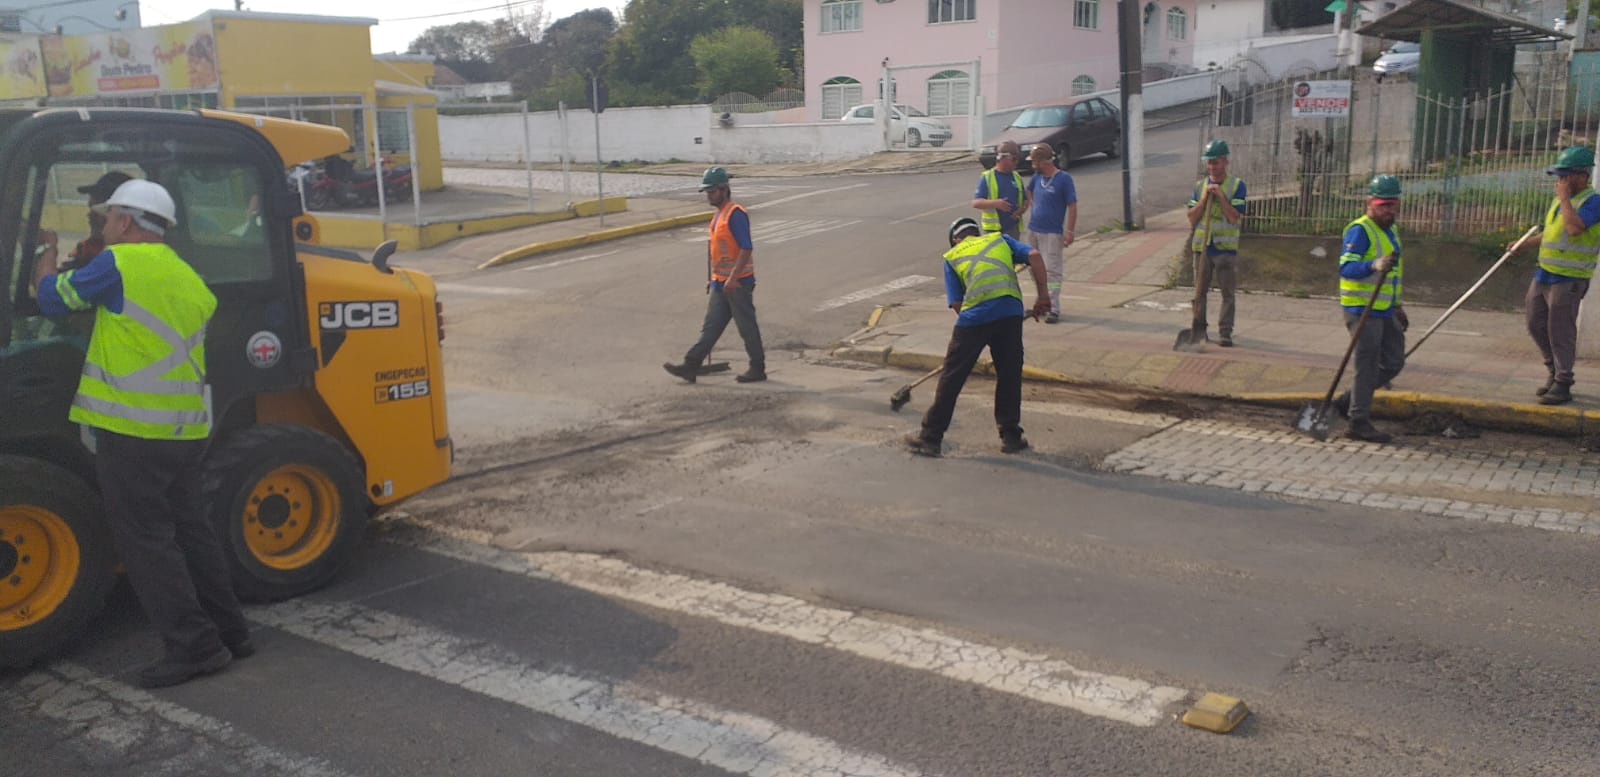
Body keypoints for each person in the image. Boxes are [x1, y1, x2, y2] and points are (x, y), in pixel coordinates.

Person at [30, 179, 254, 688]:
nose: (103, 225)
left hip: (131, 429)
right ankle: (231, 632)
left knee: (148, 542)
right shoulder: (188, 276)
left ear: (126, 222)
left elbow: (52, 301)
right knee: (191, 532)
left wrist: (45, 255)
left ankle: (195, 647)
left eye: (108, 218)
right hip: (183, 429)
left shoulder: (119, 264)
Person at [904, 218, 1052, 458]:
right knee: (1009, 374)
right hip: (1009, 312)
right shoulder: (999, 239)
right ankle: (1011, 436)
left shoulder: (952, 256)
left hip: (974, 318)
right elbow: (1034, 255)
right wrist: (1043, 297)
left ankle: (930, 438)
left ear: (955, 239)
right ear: (976, 232)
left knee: (952, 378)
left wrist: (973, 330)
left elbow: (957, 303)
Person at [1511, 146, 1600, 406]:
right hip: (1545, 274)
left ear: (1581, 176)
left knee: (1560, 330)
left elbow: (1573, 229)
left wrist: (1563, 199)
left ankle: (1563, 381)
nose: (1559, 182)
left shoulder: (1593, 202)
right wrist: (1523, 245)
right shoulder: (1562, 201)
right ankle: (1552, 369)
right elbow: (1552, 233)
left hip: (1569, 278)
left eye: (1565, 176)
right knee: (1534, 323)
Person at [664, 166, 766, 384]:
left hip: (738, 284)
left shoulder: (735, 214)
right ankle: (691, 365)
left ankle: (758, 368)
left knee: (747, 327)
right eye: (707, 192)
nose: (709, 196)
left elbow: (746, 248)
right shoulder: (718, 215)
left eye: (712, 192)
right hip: (720, 284)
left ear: (724, 189)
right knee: (710, 327)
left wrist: (733, 278)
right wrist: (714, 279)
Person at [1333, 175, 1407, 444]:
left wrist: (1397, 305)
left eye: (1392, 204)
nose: (1388, 210)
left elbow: (1394, 273)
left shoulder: (1391, 229)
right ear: (1370, 203)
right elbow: (1346, 268)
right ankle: (1358, 421)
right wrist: (1373, 266)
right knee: (1367, 365)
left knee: (1394, 361)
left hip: (1384, 308)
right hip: (1361, 308)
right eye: (1383, 205)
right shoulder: (1360, 230)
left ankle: (1349, 401)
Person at [1186, 140, 1247, 347]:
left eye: (1216, 162)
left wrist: (1221, 197)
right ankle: (1199, 328)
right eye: (1209, 163)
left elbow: (1234, 217)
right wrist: (1203, 199)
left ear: (1225, 162)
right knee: (1199, 292)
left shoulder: (1237, 186)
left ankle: (1225, 332)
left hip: (1225, 250)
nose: (1212, 167)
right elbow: (1192, 218)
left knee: (1227, 293)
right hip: (1202, 248)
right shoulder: (1199, 187)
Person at [36, 170, 132, 275]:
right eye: (90, 209)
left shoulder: (124, 259)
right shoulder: (89, 248)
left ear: (124, 217)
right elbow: (59, 280)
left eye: (98, 211)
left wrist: (49, 246)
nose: (89, 216)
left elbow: (49, 289)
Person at [1024, 145, 1077, 323]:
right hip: (1033, 230)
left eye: (1033, 162)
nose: (1032, 165)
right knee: (1034, 269)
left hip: (1052, 234)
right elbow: (1028, 190)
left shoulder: (1063, 179)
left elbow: (1072, 205)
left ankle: (1053, 307)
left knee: (1052, 271)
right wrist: (1033, 204)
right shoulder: (1036, 178)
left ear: (1042, 162)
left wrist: (1069, 231)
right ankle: (1042, 301)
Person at [973, 140, 1029, 239]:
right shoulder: (988, 177)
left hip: (1013, 229)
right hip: (993, 231)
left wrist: (1022, 209)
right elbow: (976, 203)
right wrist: (995, 203)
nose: (1016, 162)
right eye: (1013, 159)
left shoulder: (1016, 176)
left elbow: (1025, 199)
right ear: (1003, 158)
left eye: (1017, 159)